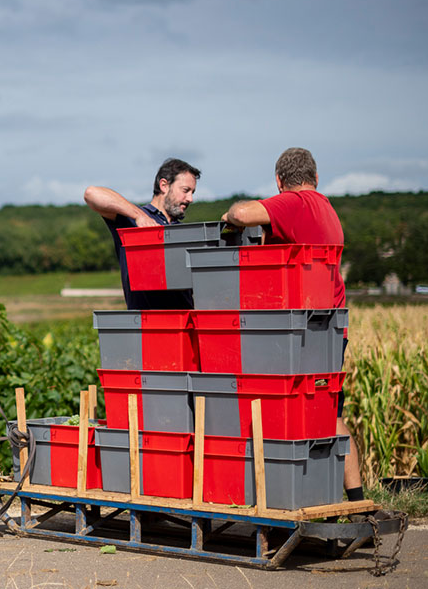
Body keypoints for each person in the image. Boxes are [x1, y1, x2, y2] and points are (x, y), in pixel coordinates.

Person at [222, 147, 362, 502]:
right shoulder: (326, 207)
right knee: (327, 410)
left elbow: (243, 213)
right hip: (327, 325)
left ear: (280, 182)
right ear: (316, 177)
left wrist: (229, 215)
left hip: (303, 332)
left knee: (305, 411)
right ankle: (355, 497)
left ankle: (293, 493)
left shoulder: (296, 202)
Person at [83, 158, 201, 310]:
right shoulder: (132, 220)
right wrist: (139, 216)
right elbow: (91, 194)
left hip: (184, 325)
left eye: (192, 192)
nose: (190, 199)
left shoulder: (184, 231)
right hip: (147, 325)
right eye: (185, 191)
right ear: (164, 185)